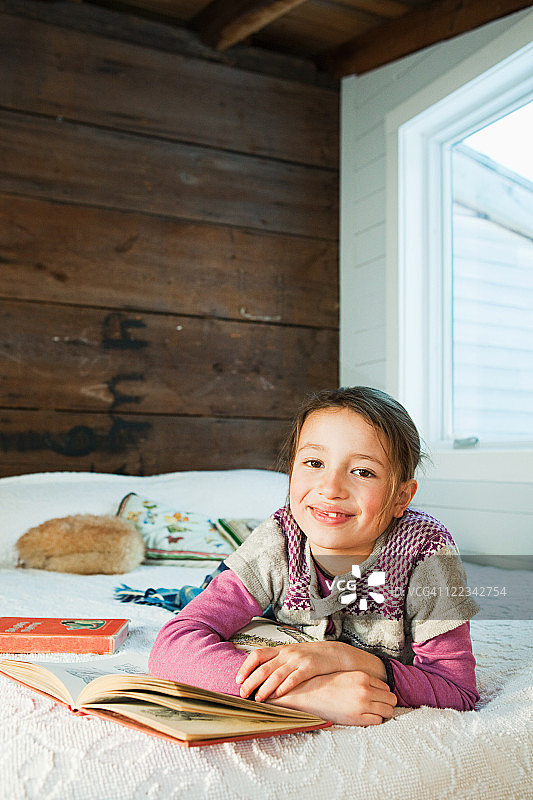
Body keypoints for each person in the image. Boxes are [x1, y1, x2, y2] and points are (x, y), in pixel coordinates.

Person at [149, 386, 479, 725]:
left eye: (363, 471)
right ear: (291, 471)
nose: (331, 488)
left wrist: (348, 658)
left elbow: (458, 688)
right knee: (208, 598)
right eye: (314, 463)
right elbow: (173, 645)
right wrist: (304, 696)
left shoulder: (427, 553)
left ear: (401, 497)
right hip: (272, 587)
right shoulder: (278, 538)